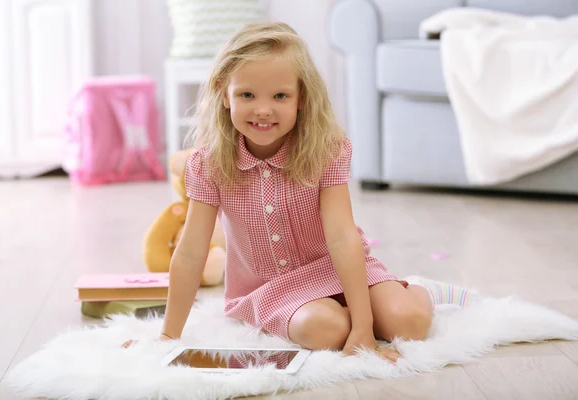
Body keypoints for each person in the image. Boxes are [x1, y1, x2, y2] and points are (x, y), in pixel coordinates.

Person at [124, 22, 476, 363]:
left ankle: (417, 291)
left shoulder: (327, 151)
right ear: (223, 93)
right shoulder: (208, 164)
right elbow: (190, 253)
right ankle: (352, 311)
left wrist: (365, 328)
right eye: (247, 94)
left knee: (409, 322)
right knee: (325, 329)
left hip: (337, 268)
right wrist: (169, 336)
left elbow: (341, 237)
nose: (263, 109)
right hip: (271, 290)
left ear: (301, 97)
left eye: (280, 96)